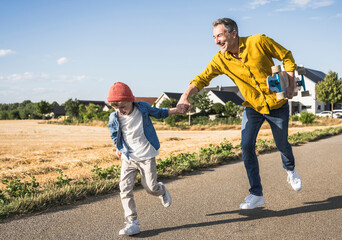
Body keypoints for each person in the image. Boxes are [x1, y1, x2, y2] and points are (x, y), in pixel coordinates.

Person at [177, 18, 302, 210]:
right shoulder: (220, 59)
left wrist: (291, 82)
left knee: (282, 144)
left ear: (233, 33)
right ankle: (256, 193)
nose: (216, 41)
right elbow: (202, 78)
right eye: (214, 37)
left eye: (220, 35)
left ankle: (290, 169)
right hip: (252, 106)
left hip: (277, 104)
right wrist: (185, 95)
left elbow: (286, 55)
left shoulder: (258, 41)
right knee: (246, 145)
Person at [107, 82, 181, 236]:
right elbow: (114, 134)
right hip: (129, 157)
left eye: (123, 107)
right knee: (125, 189)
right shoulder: (114, 117)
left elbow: (159, 112)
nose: (120, 111)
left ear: (131, 100)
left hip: (147, 156)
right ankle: (132, 222)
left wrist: (175, 110)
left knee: (150, 187)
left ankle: (160, 190)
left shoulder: (142, 107)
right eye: (116, 108)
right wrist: (119, 148)